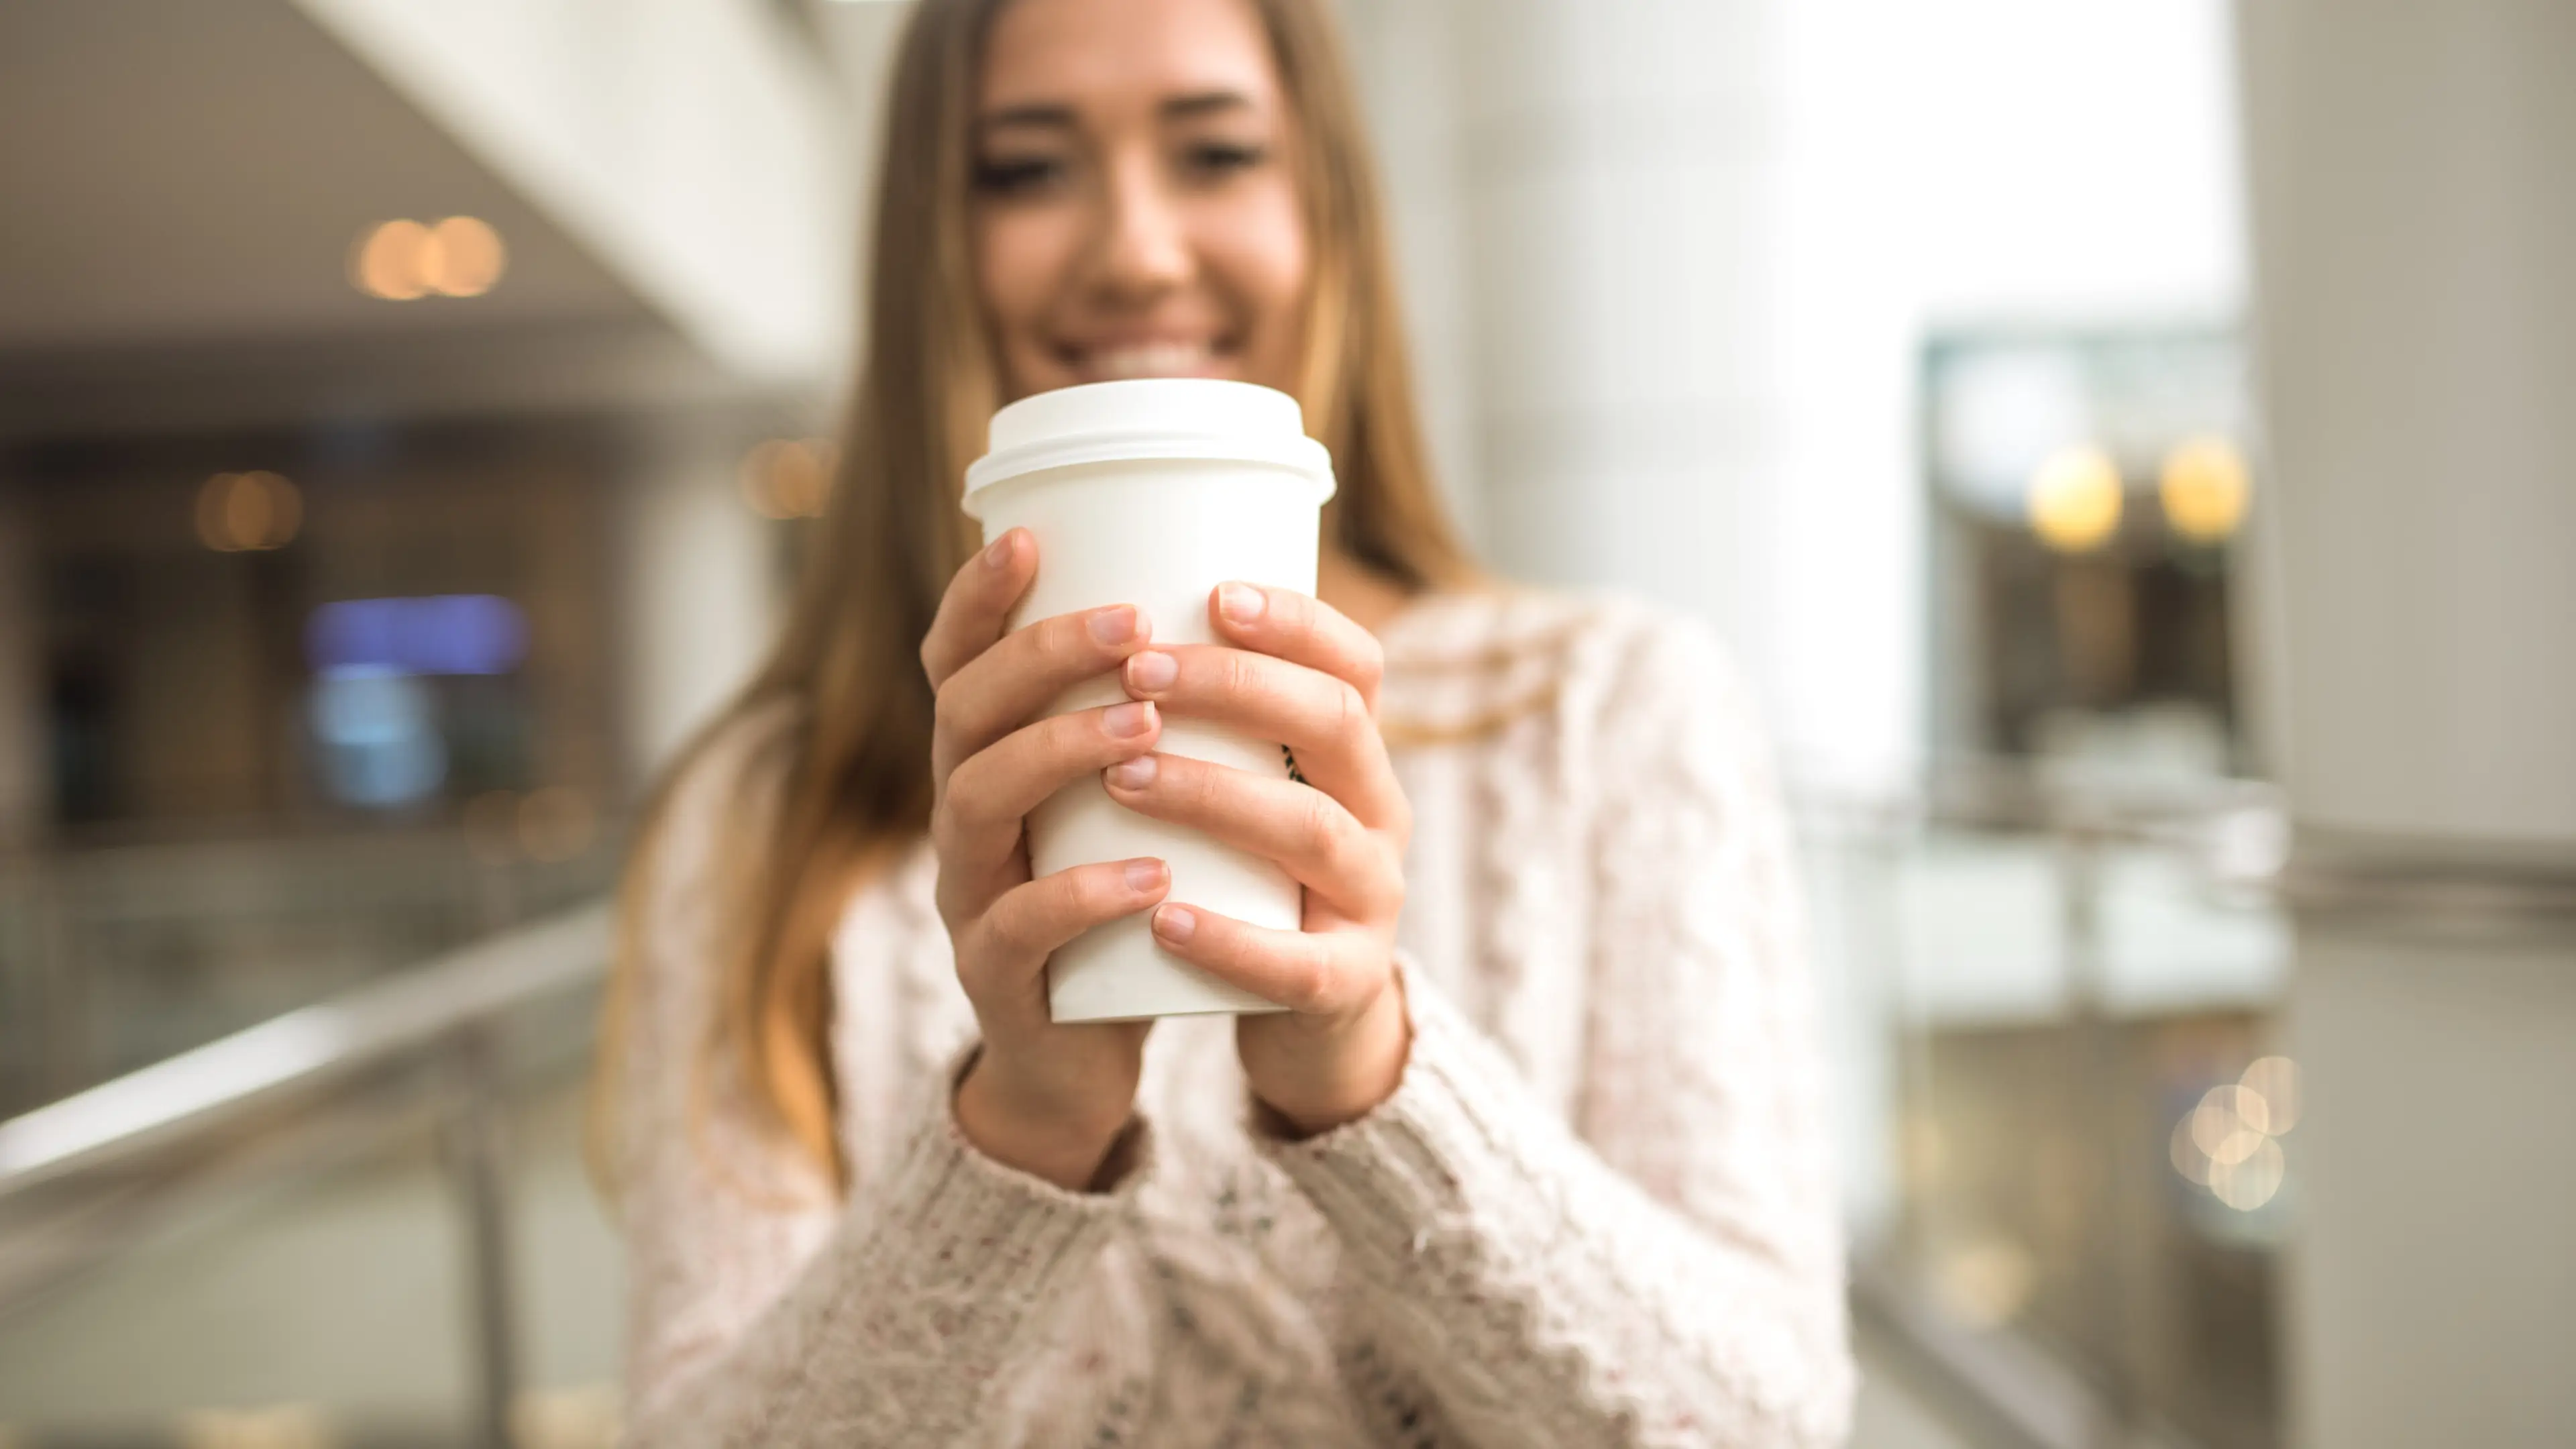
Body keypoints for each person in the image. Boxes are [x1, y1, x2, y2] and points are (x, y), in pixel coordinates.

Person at [602, 0, 1854, 1442]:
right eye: (1026, 168)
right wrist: (1022, 1124)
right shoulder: (770, 813)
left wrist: (1369, 1079)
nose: (1137, 247)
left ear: (1326, 205)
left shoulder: (1609, 715)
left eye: (1215, 153)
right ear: (927, 243)